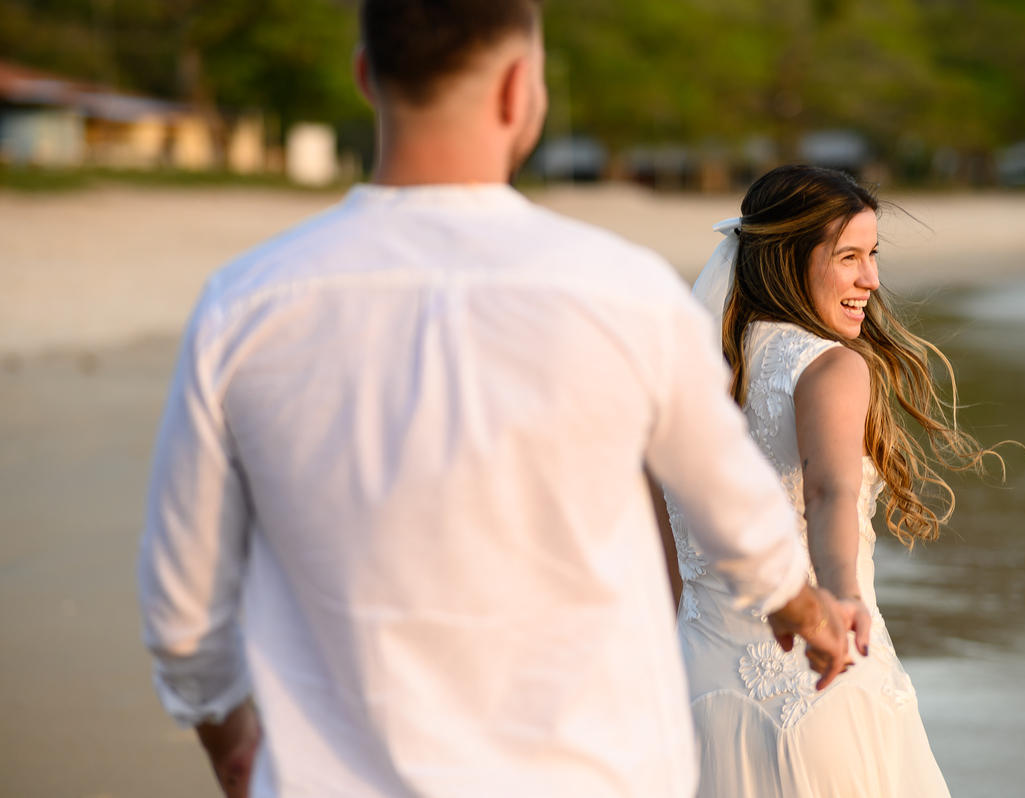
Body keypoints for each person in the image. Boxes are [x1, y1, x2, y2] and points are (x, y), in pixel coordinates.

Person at [137, 3, 853, 797]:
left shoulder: (244, 305)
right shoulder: (623, 294)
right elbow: (741, 519)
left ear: (367, 78)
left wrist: (235, 748)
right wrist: (807, 613)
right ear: (522, 91)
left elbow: (182, 616)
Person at [664, 164, 1005, 796]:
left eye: (872, 255)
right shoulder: (828, 366)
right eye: (849, 257)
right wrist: (842, 597)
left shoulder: (688, 372)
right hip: (819, 683)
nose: (871, 280)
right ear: (788, 260)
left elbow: (662, 531)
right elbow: (831, 492)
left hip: (691, 692)